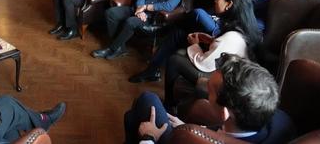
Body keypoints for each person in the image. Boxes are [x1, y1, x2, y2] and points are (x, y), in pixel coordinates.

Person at [128, 0, 262, 103]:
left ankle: (170, 105)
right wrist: (211, 40)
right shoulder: (244, 25)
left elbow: (206, 64)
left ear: (229, 4)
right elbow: (223, 49)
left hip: (226, 81)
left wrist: (195, 45)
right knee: (179, 33)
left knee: (175, 60)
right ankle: (152, 69)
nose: (215, 1)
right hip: (223, 69)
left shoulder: (232, 37)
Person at [124, 54, 295, 144]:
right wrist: (188, 127)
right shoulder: (282, 121)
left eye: (210, 91)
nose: (205, 90)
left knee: (148, 100)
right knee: (131, 117)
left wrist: (149, 137)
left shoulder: (190, 140)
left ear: (224, 113)